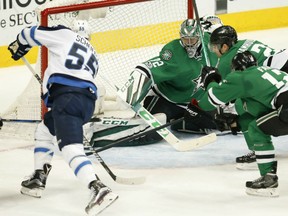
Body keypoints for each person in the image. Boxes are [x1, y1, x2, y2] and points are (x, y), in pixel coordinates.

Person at [7, 20, 118, 215]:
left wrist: (20, 44)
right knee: (44, 129)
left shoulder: (65, 34)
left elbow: (29, 32)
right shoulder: (93, 53)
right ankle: (38, 177)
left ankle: (97, 187)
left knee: (70, 148)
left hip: (67, 98)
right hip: (86, 104)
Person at [194, 50, 288, 197]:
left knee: (256, 129)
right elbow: (259, 110)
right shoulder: (268, 71)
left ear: (236, 68)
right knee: (256, 123)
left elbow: (208, 102)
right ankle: (260, 156)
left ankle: (268, 180)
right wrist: (237, 121)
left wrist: (210, 80)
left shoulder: (240, 77)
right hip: (284, 104)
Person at [208, 25, 288, 169]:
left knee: (242, 107)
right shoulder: (247, 42)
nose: (214, 50)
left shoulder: (228, 61)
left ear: (225, 46)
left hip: (282, 71)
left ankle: (256, 151)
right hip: (283, 64)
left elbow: (227, 95)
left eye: (215, 46)